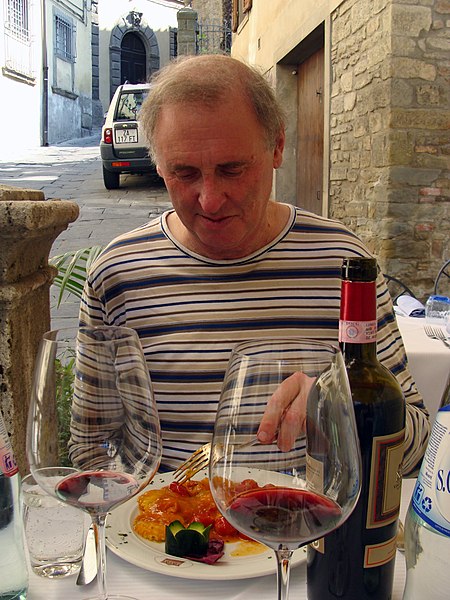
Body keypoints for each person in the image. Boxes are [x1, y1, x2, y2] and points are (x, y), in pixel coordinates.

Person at [79, 54, 429, 475]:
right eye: (184, 173)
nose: (209, 200)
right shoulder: (118, 275)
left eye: (232, 169)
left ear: (277, 146)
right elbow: (91, 450)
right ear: (158, 164)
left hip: (307, 533)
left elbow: (417, 449)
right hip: (162, 534)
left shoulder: (344, 264)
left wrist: (346, 406)